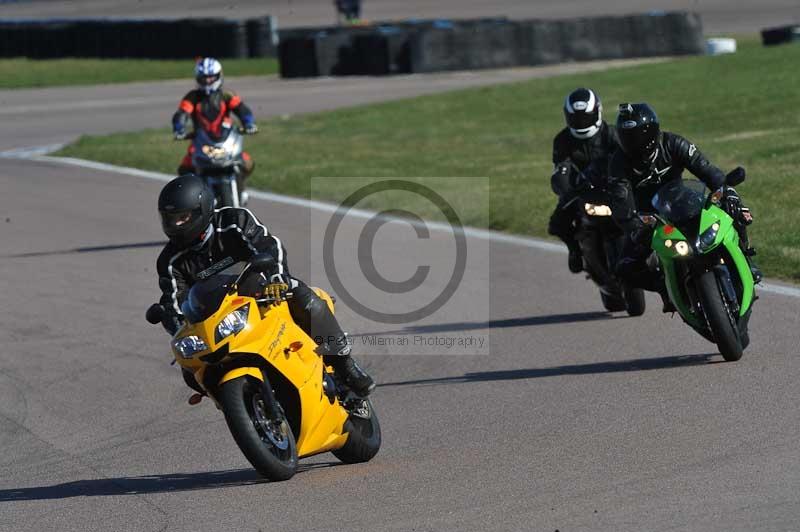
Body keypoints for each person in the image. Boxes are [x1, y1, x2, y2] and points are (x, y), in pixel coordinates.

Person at [154, 174, 375, 397]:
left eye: (182, 217)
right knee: (190, 370)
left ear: (202, 209)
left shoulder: (234, 220)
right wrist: (176, 326)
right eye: (170, 219)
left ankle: (344, 365)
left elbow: (269, 246)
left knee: (302, 297)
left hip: (261, 291)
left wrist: (276, 278)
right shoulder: (169, 260)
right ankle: (237, 402)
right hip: (218, 319)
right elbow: (174, 301)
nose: (175, 224)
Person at [606, 102, 761, 310]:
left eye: (637, 135)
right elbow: (620, 202)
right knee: (623, 270)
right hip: (649, 220)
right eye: (627, 136)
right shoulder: (618, 162)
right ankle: (666, 288)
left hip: (682, 202)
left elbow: (707, 170)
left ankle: (747, 260)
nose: (633, 142)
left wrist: (727, 191)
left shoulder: (673, 143)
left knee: (733, 210)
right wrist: (634, 226)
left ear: (651, 132)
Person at [548, 87, 620, 273]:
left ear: (598, 112)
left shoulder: (612, 134)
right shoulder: (562, 140)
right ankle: (574, 250)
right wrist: (562, 185)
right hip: (580, 191)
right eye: (576, 118)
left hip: (613, 188)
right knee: (557, 224)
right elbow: (561, 167)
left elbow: (627, 159)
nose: (581, 122)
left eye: (585, 117)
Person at [172, 58, 258, 191]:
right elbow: (182, 114)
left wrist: (249, 123)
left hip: (226, 140)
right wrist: (179, 129)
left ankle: (241, 188)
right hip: (201, 141)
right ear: (198, 78)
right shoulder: (192, 97)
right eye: (204, 77)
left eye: (211, 77)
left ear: (218, 76)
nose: (207, 81)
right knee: (184, 169)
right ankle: (198, 199)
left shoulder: (227, 95)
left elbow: (242, 110)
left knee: (247, 163)